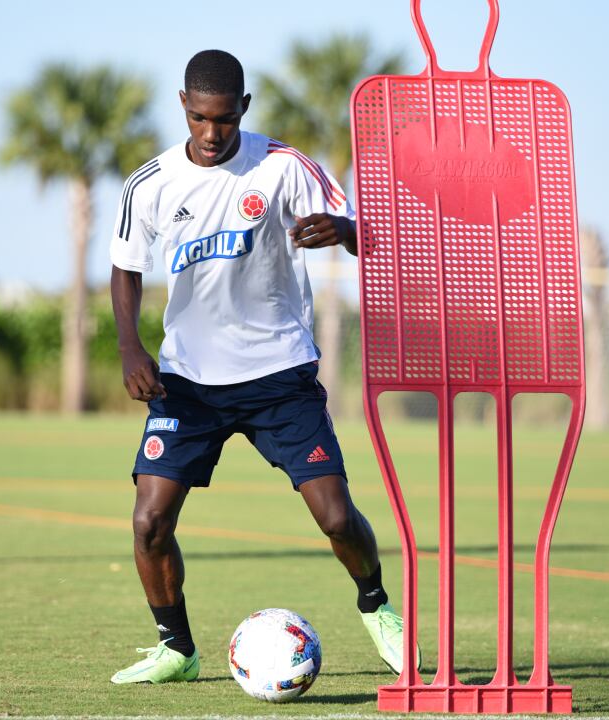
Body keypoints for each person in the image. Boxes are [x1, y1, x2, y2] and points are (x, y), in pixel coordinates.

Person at [109, 49, 412, 684]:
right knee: (149, 521)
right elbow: (126, 268)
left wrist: (343, 228)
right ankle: (177, 648)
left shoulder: (284, 166)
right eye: (199, 119)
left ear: (243, 108)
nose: (212, 134)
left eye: (223, 120)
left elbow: (368, 233)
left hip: (279, 374)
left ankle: (378, 606)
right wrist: (131, 349)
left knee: (335, 515)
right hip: (188, 381)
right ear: (184, 107)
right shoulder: (151, 183)